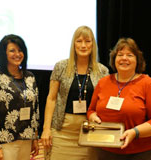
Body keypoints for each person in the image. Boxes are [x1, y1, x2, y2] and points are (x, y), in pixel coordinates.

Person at [87, 37, 151, 160]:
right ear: (114, 59)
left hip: (141, 152)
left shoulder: (148, 84)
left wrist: (135, 132)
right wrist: (93, 117)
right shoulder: (103, 82)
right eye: (120, 55)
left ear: (137, 60)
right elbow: (91, 110)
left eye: (130, 55)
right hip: (104, 149)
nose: (124, 58)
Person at [41, 25, 109, 160]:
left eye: (87, 41)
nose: (83, 45)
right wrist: (46, 129)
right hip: (62, 130)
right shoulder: (61, 66)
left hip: (90, 130)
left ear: (93, 45)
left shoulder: (102, 71)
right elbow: (51, 98)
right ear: (73, 44)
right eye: (79, 41)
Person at [0, 34, 40, 160]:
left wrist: (35, 137)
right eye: (12, 50)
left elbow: (35, 111)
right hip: (5, 141)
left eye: (20, 50)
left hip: (26, 138)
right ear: (4, 54)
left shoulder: (30, 77)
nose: (17, 54)